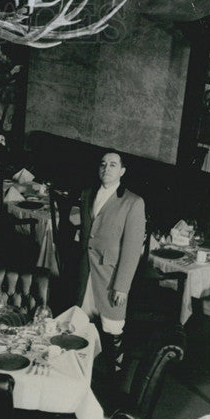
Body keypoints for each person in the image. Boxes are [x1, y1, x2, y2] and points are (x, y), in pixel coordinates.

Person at [77, 149, 146, 373]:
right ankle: (83, 370)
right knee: (82, 322)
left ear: (122, 171)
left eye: (113, 165)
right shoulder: (88, 193)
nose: (107, 169)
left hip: (110, 276)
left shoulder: (133, 202)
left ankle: (115, 374)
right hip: (86, 271)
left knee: (112, 327)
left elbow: (132, 249)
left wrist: (122, 286)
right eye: (103, 164)